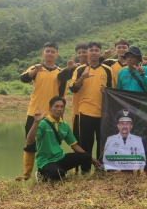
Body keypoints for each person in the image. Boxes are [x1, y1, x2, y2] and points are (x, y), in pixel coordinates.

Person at [15, 42, 67, 181]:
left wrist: (59, 111)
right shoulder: (35, 68)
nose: (50, 54)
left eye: (52, 51)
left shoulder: (60, 73)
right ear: (42, 53)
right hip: (35, 112)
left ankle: (43, 172)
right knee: (30, 142)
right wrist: (35, 70)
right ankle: (26, 174)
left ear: (57, 54)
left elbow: (62, 95)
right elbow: (24, 78)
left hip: (52, 115)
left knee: (48, 145)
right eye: (47, 51)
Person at [26, 96, 99, 181]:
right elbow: (29, 141)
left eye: (62, 107)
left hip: (60, 158)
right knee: (60, 174)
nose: (59, 109)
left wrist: (91, 158)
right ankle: (41, 173)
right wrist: (36, 122)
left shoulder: (64, 125)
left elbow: (74, 145)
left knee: (86, 155)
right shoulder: (42, 123)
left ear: (64, 109)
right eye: (56, 106)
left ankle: (60, 170)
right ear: (50, 108)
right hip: (46, 161)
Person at [69, 41, 114, 173]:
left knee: (102, 142)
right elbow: (73, 88)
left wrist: (107, 90)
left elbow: (112, 90)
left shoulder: (107, 70)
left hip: (103, 113)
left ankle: (101, 168)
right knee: (85, 143)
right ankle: (85, 169)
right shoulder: (80, 70)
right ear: (87, 52)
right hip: (85, 111)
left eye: (96, 50)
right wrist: (82, 78)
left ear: (100, 52)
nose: (94, 52)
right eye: (91, 50)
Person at [57, 43, 89, 135]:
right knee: (76, 135)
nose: (81, 54)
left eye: (84, 52)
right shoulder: (76, 68)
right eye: (79, 53)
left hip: (92, 107)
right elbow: (60, 77)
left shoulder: (96, 66)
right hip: (77, 106)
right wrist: (68, 68)